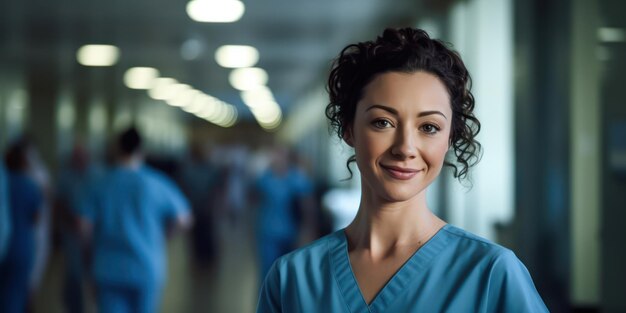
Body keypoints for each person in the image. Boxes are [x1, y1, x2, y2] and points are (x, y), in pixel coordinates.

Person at [257, 28, 548, 312]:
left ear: (449, 139)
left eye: (429, 127)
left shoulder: (490, 274)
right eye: (383, 122)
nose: (405, 147)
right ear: (349, 129)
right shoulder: (292, 279)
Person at [78, 127, 192, 313]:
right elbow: (183, 219)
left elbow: (83, 227)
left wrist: (89, 260)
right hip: (146, 266)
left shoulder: (99, 183)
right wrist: (163, 237)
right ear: (141, 150)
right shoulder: (155, 182)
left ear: (116, 149)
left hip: (107, 268)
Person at [0, 139, 43, 313]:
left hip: (6, 245)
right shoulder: (30, 186)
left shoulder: (5, 181)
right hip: (21, 246)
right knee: (16, 295)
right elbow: (36, 218)